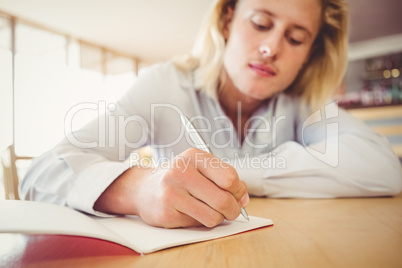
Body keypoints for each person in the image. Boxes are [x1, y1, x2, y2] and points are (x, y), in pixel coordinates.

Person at [20, 0, 402, 228]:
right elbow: (42, 175)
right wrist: (138, 188)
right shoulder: (165, 85)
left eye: (295, 38)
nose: (271, 48)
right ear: (227, 21)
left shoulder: (304, 102)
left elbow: (382, 167)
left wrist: (233, 173)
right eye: (261, 24)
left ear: (309, 54)